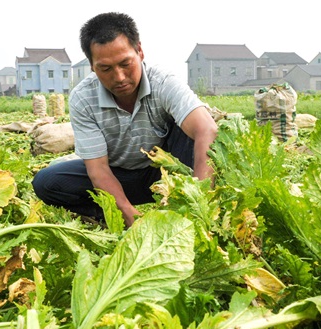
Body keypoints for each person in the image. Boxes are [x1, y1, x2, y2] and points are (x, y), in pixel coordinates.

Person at [32, 12, 218, 227]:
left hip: (166, 174)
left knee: (196, 133)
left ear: (139, 51)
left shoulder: (164, 82)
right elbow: (99, 170)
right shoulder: (83, 98)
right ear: (92, 66)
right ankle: (105, 217)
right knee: (47, 182)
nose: (119, 77)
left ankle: (185, 207)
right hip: (118, 176)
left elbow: (207, 130)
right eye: (106, 68)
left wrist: (200, 201)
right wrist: (133, 220)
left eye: (125, 63)